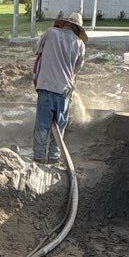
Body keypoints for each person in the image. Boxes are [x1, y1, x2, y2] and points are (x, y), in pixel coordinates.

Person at [31, 14, 86, 166]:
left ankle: (39, 158)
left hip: (46, 86)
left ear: (65, 24)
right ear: (77, 28)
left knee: (42, 125)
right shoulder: (80, 44)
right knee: (59, 127)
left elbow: (36, 50)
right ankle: (54, 158)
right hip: (64, 91)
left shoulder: (51, 33)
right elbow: (76, 70)